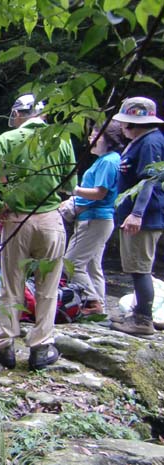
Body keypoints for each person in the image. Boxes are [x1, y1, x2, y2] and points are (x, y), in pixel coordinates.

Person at [0, 94, 76, 370]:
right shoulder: (61, 139)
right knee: (48, 286)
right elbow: (70, 185)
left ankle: (4, 345)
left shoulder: (7, 139)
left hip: (16, 219)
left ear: (19, 114)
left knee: (11, 284)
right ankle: (41, 348)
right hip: (50, 218)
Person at [109, 97, 164, 336]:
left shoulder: (150, 142)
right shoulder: (142, 141)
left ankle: (143, 320)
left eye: (124, 122)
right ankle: (138, 313)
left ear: (133, 123)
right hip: (135, 215)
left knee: (141, 268)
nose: (121, 127)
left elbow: (149, 179)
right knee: (136, 266)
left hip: (144, 217)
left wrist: (137, 213)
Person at [62, 121, 124, 315]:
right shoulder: (107, 159)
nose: (90, 138)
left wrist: (73, 190)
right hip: (99, 219)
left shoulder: (108, 161)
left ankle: (93, 302)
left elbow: (99, 193)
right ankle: (100, 309)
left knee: (71, 263)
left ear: (107, 139)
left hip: (95, 219)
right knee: (91, 265)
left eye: (95, 135)